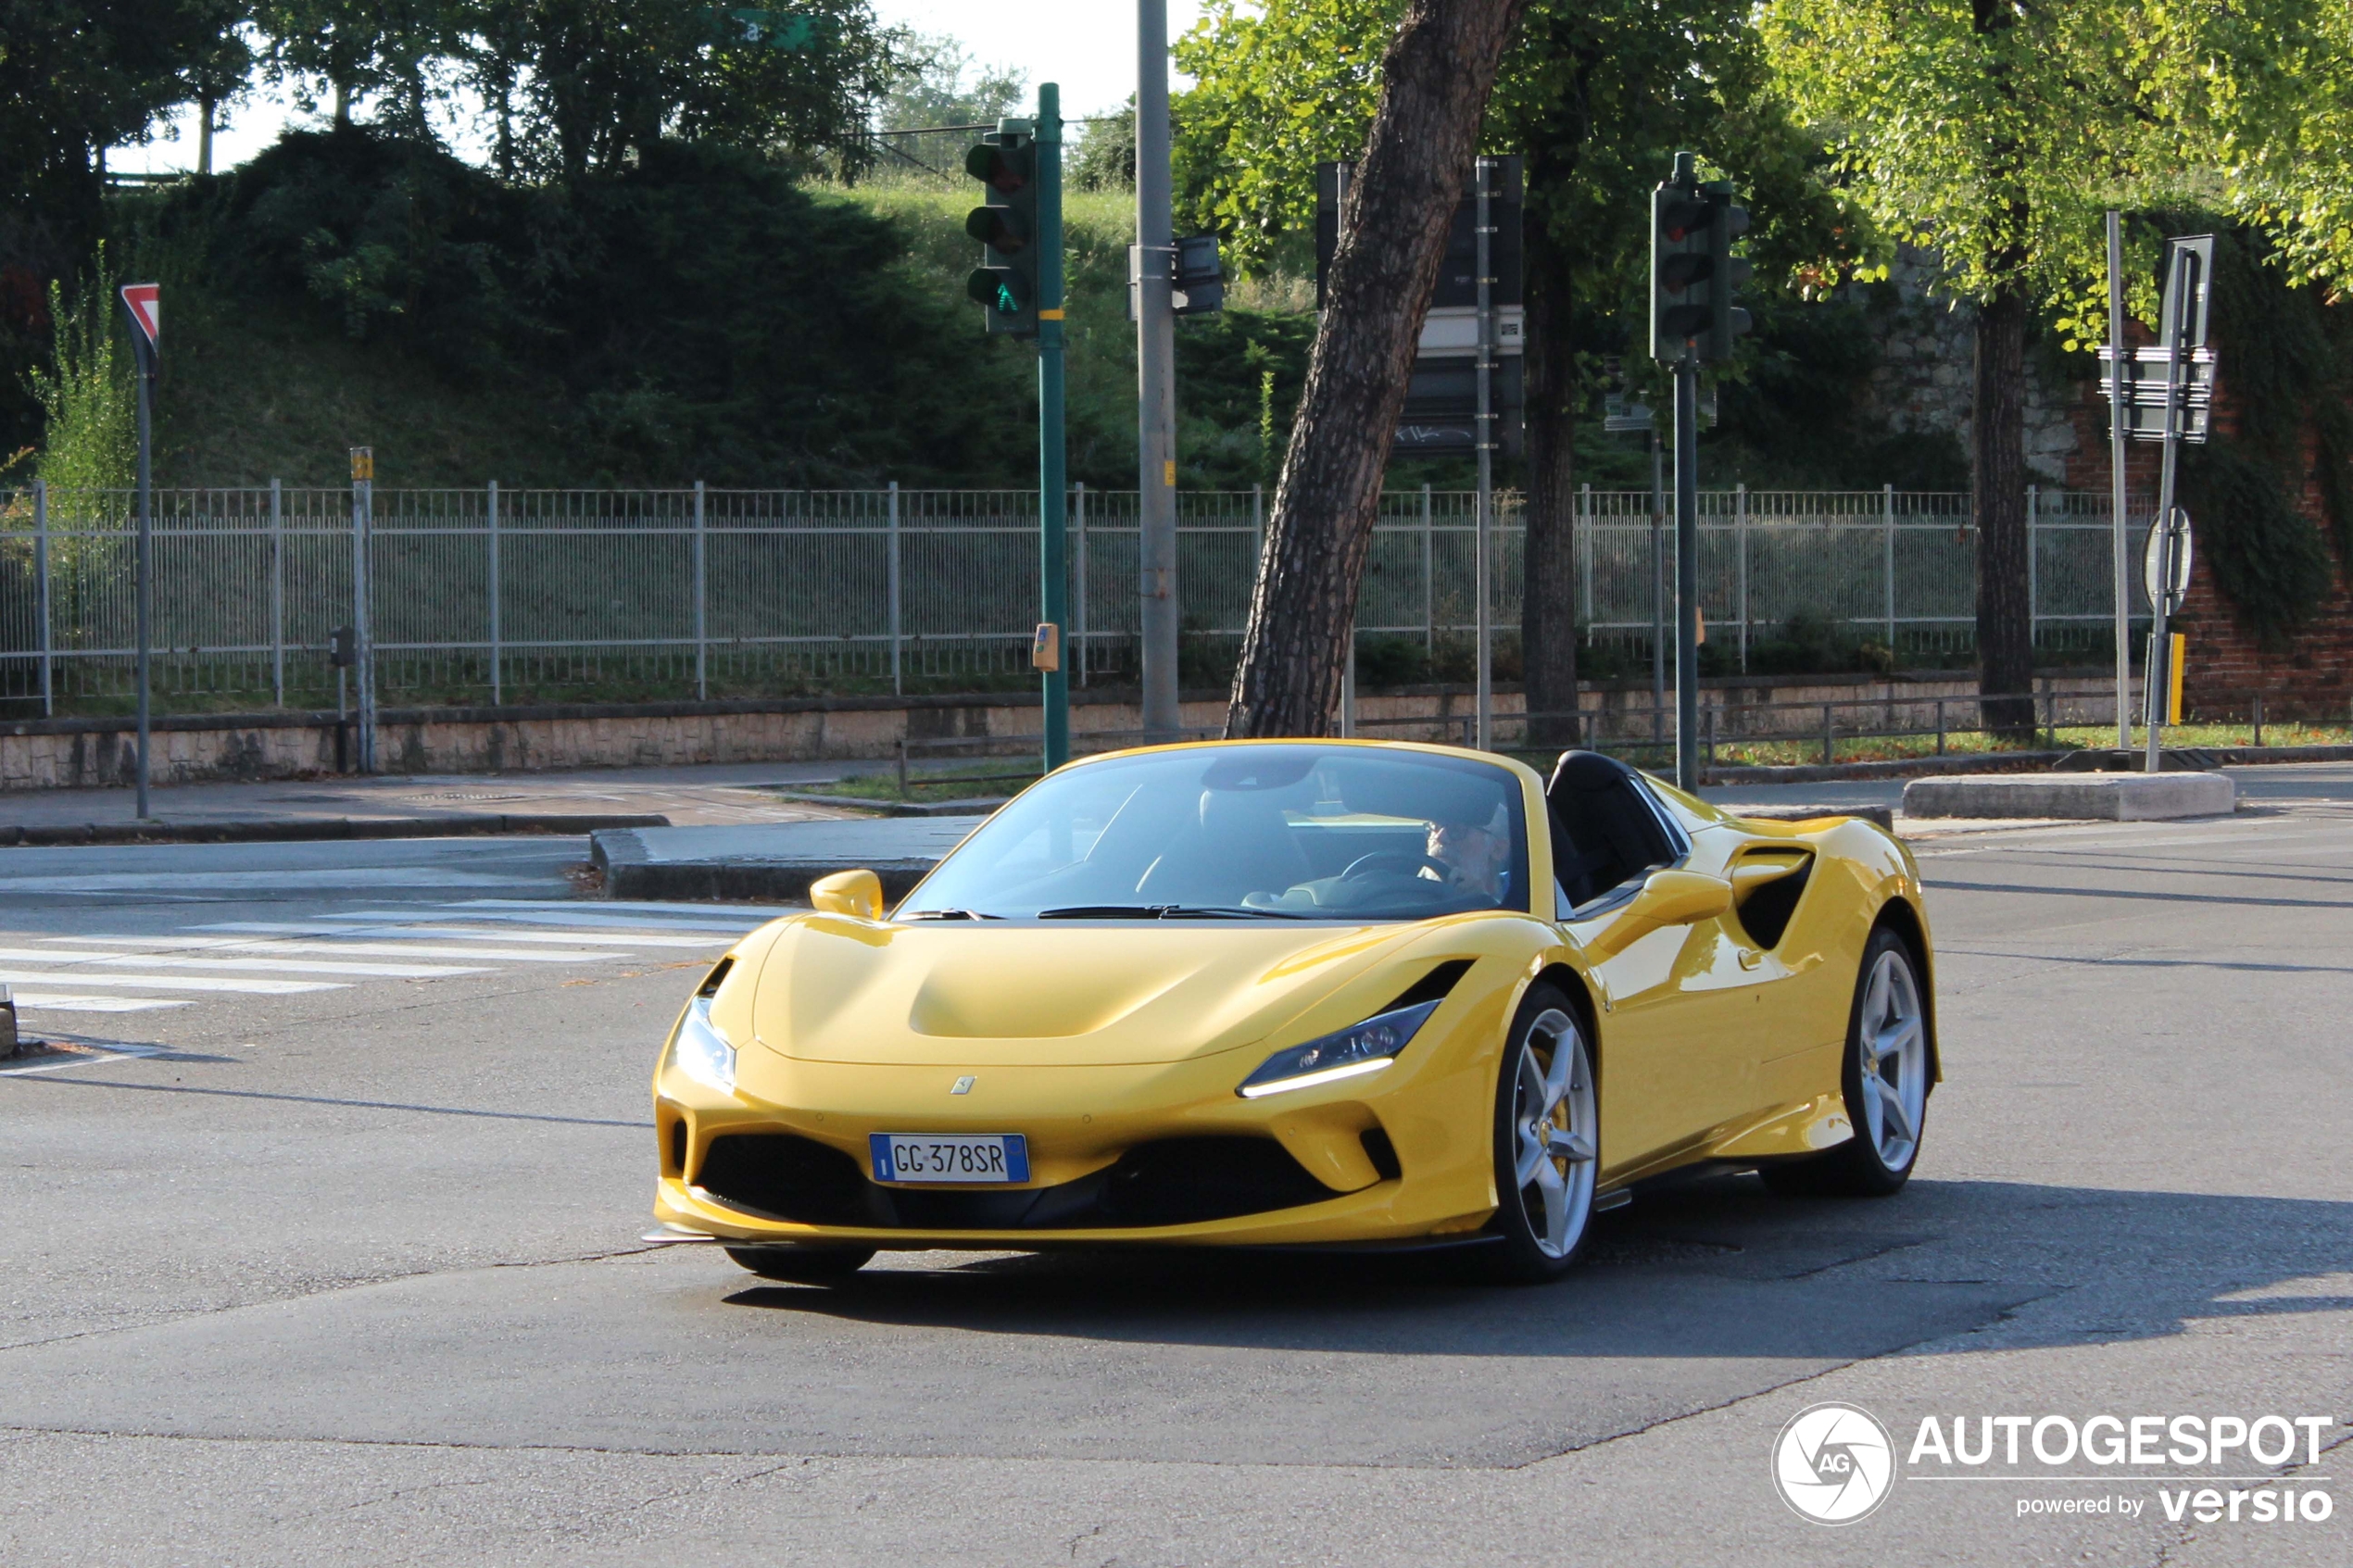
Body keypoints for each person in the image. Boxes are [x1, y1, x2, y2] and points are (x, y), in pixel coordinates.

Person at [1424, 801, 1511, 902]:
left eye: (1457, 830)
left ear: (1498, 849)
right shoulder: (1407, 893)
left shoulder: (1526, 892)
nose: (1439, 837)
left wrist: (1482, 902)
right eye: (1434, 827)